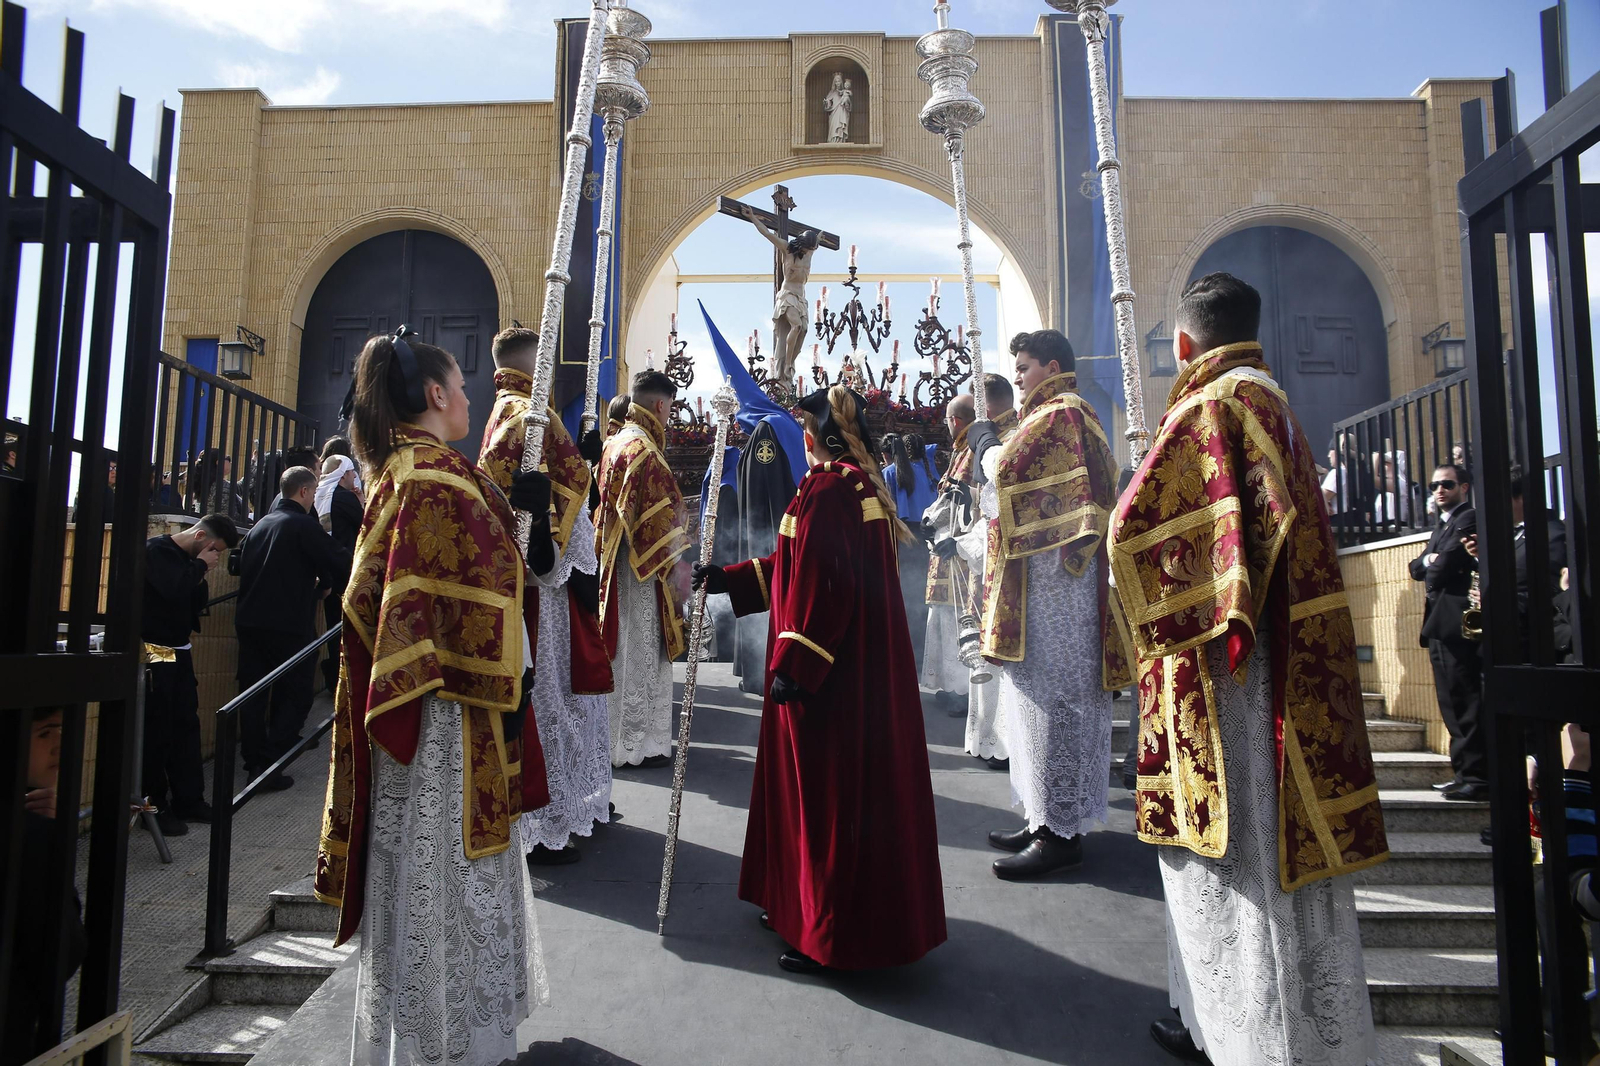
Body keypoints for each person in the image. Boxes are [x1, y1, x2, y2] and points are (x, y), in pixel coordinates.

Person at [1110, 272, 1387, 1064]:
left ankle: (1247, 1037)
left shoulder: (1209, 406)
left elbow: (1129, 536)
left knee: (1240, 856)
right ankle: (1240, 1025)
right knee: (1286, 854)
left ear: (1184, 341)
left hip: (1229, 676)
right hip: (1287, 656)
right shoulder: (1278, 407)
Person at [314, 329, 547, 1063]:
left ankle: (430, 1038)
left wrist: (527, 520)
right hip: (449, 719)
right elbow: (477, 599)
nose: (473, 399)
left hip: (431, 706)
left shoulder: (408, 470)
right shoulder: (436, 478)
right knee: (444, 883)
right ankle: (448, 1044)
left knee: (425, 880)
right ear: (437, 395)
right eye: (463, 387)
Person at [693, 385, 946, 974]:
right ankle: (801, 908)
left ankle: (831, 935)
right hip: (854, 665)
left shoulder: (831, 488)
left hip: (832, 675)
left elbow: (825, 582)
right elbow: (796, 563)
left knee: (828, 802)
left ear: (816, 433)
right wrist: (732, 578)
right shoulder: (854, 484)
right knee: (839, 799)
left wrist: (797, 664)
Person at [965, 330, 1122, 880]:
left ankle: (1060, 835)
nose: (1018, 375)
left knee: (1057, 707)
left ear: (1052, 367)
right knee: (1035, 705)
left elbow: (1008, 474)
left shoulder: (1061, 413)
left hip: (1058, 592)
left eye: (1025, 366)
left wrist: (986, 444)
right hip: (1045, 587)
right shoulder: (1059, 415)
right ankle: (1042, 817)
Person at [479, 325, 614, 865]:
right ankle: (547, 820)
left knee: (557, 704)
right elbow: (557, 515)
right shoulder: (530, 417)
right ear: (535, 365)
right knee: (556, 705)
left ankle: (564, 807)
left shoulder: (500, 413)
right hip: (548, 591)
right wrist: (575, 567)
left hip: (534, 584)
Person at [595, 370, 692, 769]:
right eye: (670, 409)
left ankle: (614, 741)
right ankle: (637, 745)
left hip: (615, 561)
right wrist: (683, 545)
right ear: (660, 405)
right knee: (641, 654)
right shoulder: (645, 451)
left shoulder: (615, 440)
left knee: (621, 652)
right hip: (642, 571)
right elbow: (665, 520)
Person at [234, 466, 350, 788]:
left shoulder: (260, 526)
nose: (313, 499)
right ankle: (271, 762)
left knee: (253, 694)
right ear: (304, 491)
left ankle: (255, 761)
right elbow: (338, 559)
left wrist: (321, 584)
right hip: (287, 623)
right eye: (313, 493)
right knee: (297, 692)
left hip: (250, 621)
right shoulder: (303, 525)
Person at [142, 513, 240, 834]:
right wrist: (199, 566)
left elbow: (193, 600)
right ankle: (154, 805)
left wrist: (200, 571)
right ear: (200, 536)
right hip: (155, 649)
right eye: (214, 549)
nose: (214, 556)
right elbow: (172, 589)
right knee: (158, 729)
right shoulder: (157, 552)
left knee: (186, 724)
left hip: (179, 647)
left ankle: (189, 799)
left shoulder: (191, 562)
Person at [3, 708, 86, 1064]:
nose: (59, 744)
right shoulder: (29, 833)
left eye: (60, 730)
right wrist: (54, 835)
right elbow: (61, 948)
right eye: (44, 733)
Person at [1410, 462, 1484, 801]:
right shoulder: (1443, 524)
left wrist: (1431, 562)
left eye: (1447, 484)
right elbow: (1417, 568)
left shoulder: (1468, 518)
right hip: (1439, 621)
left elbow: (1441, 570)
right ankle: (1463, 773)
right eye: (1434, 485)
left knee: (1464, 698)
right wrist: (1430, 560)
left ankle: (1477, 777)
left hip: (1457, 623)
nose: (1439, 490)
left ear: (1464, 488)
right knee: (1450, 701)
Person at [733, 415, 798, 695]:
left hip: (761, 536)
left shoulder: (762, 436)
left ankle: (761, 674)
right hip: (766, 535)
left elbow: (764, 489)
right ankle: (760, 673)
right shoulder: (771, 434)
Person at [882, 432, 936, 674]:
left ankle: (907, 654)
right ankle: (923, 653)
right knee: (924, 596)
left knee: (906, 597)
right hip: (929, 537)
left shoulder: (891, 472)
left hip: (904, 537)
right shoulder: (930, 470)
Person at [314, 455, 364, 692]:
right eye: (352, 472)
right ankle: (342, 679)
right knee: (346, 628)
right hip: (346, 571)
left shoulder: (318, 493)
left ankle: (333, 675)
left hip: (325, 570)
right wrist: (361, 502)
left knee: (332, 625)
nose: (355, 476)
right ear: (344, 474)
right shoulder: (345, 498)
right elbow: (366, 525)